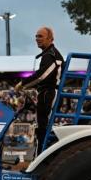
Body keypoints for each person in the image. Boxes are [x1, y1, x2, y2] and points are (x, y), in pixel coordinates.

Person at [15, 26, 64, 157]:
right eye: (36, 36)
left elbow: (42, 75)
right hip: (45, 93)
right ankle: (41, 157)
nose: (37, 39)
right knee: (41, 128)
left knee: (44, 129)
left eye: (40, 36)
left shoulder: (50, 55)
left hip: (50, 94)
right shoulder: (48, 54)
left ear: (50, 39)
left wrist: (23, 84)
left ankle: (45, 159)